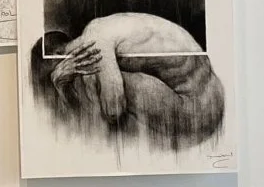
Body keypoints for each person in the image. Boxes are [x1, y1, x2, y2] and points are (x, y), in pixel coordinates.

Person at [29, 14, 226, 150]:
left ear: (56, 56)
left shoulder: (94, 42)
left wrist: (60, 84)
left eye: (53, 71)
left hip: (198, 114)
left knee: (92, 81)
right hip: (212, 97)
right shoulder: (101, 27)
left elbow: (112, 112)